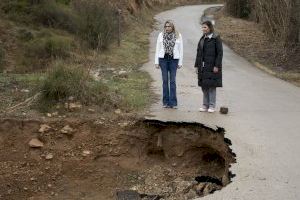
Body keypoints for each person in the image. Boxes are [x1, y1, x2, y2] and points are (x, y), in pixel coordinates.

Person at [194, 20, 223, 113]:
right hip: (203, 67)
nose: (203, 29)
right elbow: (198, 53)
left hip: (212, 67)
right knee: (204, 86)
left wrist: (216, 65)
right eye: (202, 27)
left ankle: (212, 106)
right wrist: (197, 66)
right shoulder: (202, 39)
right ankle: (205, 105)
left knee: (211, 86)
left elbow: (220, 53)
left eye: (205, 27)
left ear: (210, 28)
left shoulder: (216, 38)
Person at [155, 20, 183, 109]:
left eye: (169, 26)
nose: (167, 28)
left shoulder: (178, 35)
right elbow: (158, 48)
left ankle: (173, 103)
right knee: (165, 80)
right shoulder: (161, 35)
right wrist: (156, 62)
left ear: (172, 27)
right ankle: (165, 102)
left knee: (172, 81)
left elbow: (181, 49)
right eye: (166, 26)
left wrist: (180, 62)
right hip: (163, 59)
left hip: (174, 60)